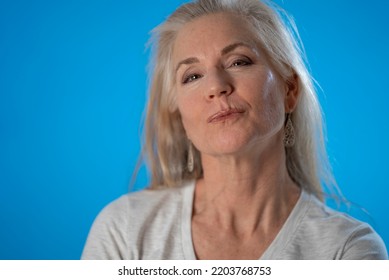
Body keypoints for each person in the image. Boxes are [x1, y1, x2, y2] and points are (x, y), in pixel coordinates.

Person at [81, 0, 388, 259]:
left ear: (289, 90)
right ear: (179, 115)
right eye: (192, 76)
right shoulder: (123, 230)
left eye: (238, 61)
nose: (216, 86)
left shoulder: (348, 250)